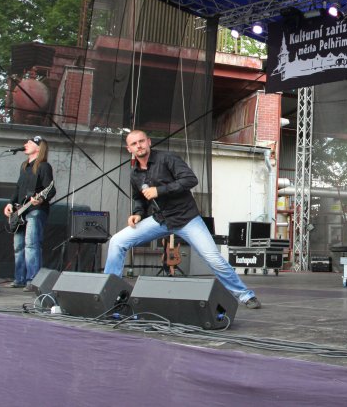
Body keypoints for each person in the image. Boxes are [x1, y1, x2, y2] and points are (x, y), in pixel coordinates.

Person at [103, 130, 261, 309]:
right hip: (160, 220)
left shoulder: (167, 159)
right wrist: (138, 213)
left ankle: (246, 295)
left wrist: (159, 190)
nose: (138, 146)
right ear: (129, 149)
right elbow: (139, 198)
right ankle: (109, 293)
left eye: (141, 141)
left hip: (186, 219)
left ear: (149, 142)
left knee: (214, 259)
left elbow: (190, 180)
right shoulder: (135, 174)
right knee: (117, 241)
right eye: (134, 144)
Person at [3, 135, 55, 291]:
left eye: (29, 142)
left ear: (38, 148)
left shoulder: (44, 166)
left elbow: (51, 189)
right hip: (20, 211)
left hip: (36, 210)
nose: (25, 144)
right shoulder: (24, 166)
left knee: (31, 244)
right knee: (18, 246)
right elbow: (18, 188)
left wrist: (41, 199)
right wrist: (10, 203)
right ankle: (19, 279)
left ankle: (33, 280)